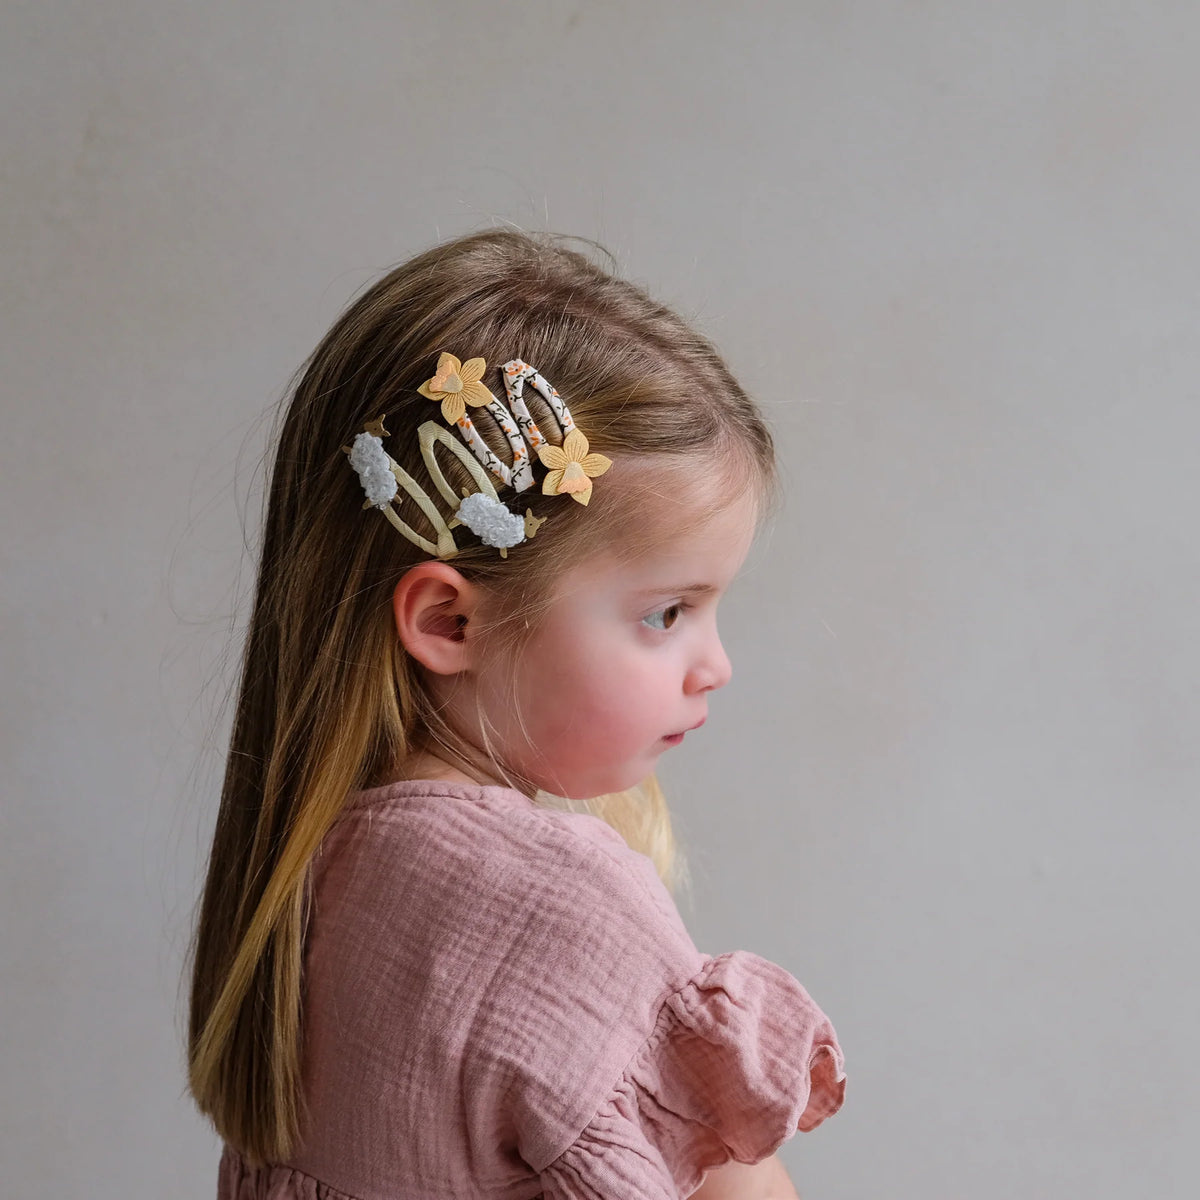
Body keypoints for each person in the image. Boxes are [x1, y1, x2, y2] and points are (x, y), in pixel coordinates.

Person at [185, 228, 847, 1199]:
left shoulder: (313, 877)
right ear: (450, 620)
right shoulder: (561, 907)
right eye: (665, 613)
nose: (716, 665)